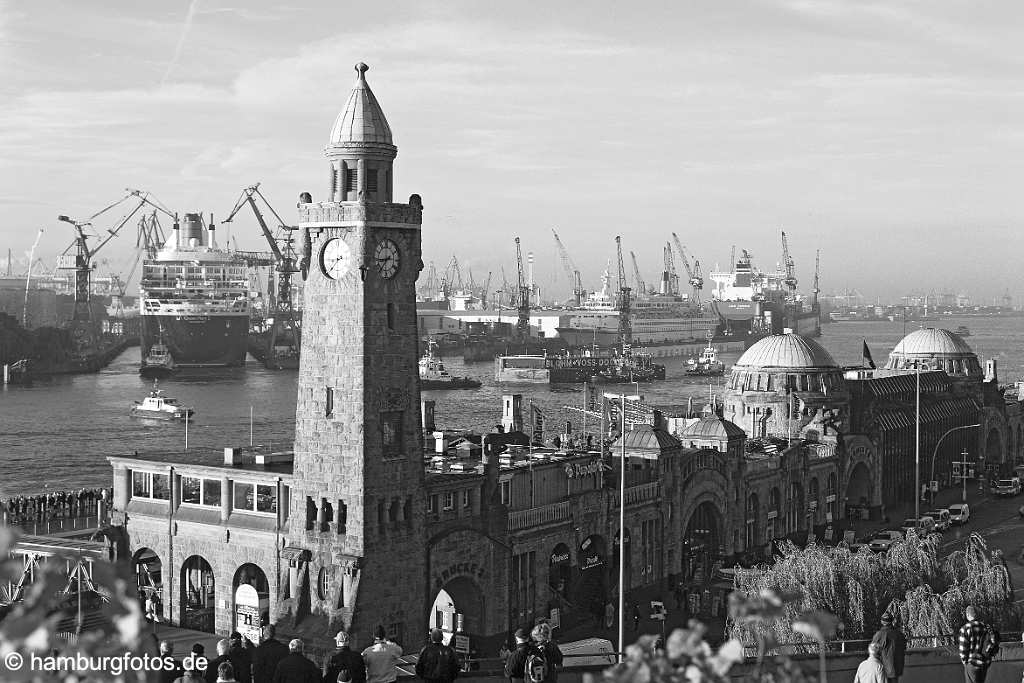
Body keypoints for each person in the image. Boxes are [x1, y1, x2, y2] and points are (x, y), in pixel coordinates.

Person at [958, 605, 1000, 683]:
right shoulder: (985, 627)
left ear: (967, 615)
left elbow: (963, 650)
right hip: (984, 663)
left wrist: (966, 663)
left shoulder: (965, 629)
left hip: (972, 663)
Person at [871, 613, 907, 683]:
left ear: (882, 622)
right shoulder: (899, 634)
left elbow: (873, 650)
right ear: (892, 621)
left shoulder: (880, 634)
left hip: (884, 668)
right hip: (897, 668)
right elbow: (904, 647)